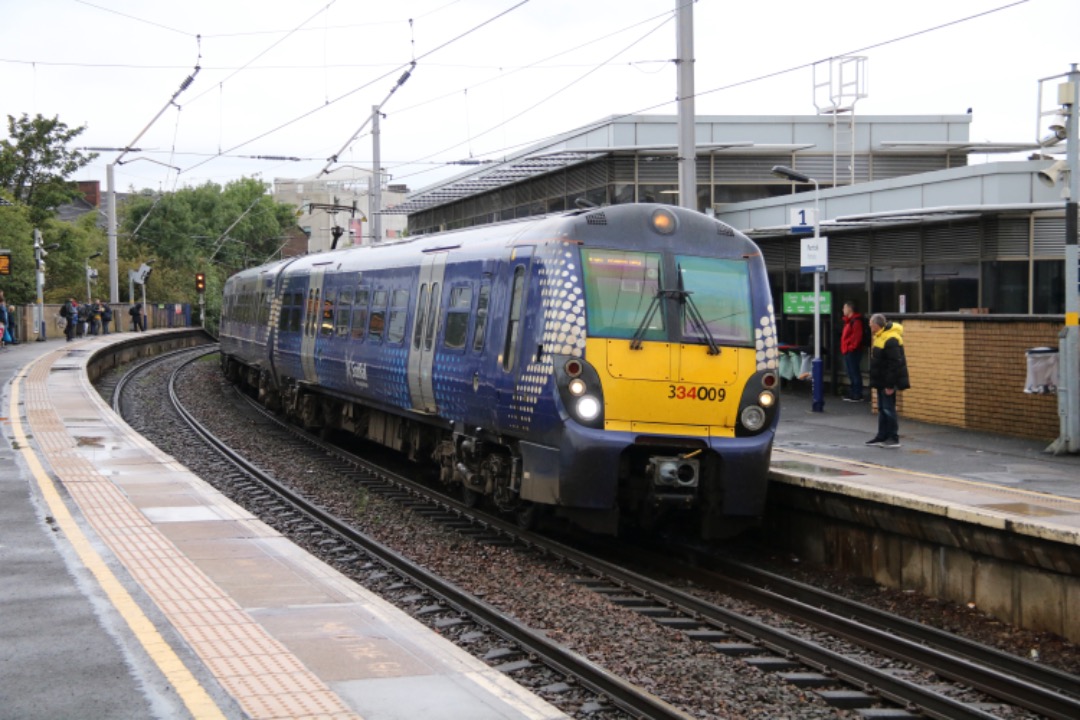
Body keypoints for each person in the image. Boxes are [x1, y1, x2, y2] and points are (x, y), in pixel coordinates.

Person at [866, 313, 911, 448]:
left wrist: (890, 384)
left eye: (870, 324)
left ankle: (893, 437)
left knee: (888, 408)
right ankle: (882, 436)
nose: (869, 326)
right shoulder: (880, 336)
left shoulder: (891, 339)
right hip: (881, 380)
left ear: (876, 325)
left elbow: (894, 364)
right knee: (882, 408)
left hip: (887, 381)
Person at [840, 301, 866, 402]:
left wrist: (850, 348)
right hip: (848, 350)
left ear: (849, 309)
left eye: (844, 308)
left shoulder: (855, 321)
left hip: (852, 351)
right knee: (850, 372)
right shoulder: (849, 321)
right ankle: (853, 392)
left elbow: (856, 337)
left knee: (854, 372)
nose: (843, 310)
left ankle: (857, 394)